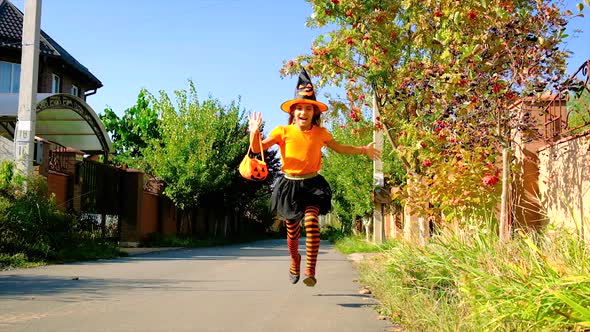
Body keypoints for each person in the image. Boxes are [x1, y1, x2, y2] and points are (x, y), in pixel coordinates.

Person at [247, 68, 380, 287]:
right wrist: (254, 132)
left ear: (314, 112)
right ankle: (294, 259)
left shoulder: (321, 133)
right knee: (292, 233)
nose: (303, 112)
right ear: (293, 112)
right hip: (289, 185)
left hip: (312, 184)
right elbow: (257, 149)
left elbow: (340, 148)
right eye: (299, 108)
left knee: (311, 223)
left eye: (308, 108)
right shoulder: (283, 131)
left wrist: (363, 149)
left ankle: (310, 269)